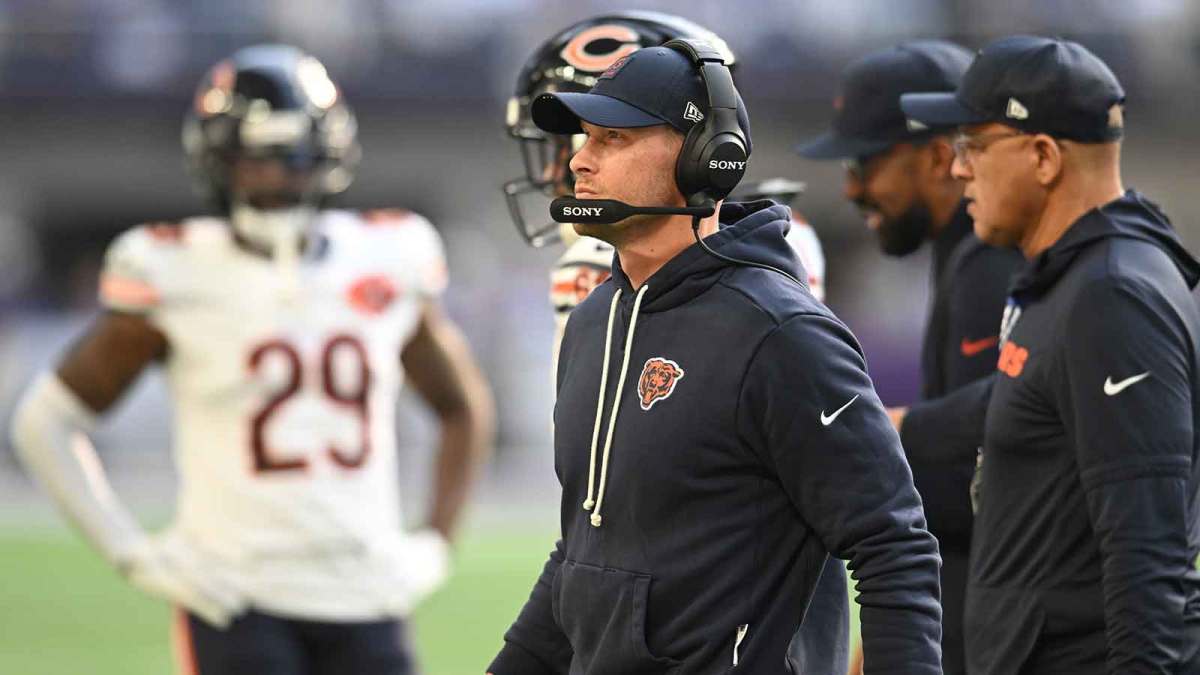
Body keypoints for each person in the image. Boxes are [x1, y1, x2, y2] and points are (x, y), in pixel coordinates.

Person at [9, 44, 494, 675]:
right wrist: (132, 553)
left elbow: (463, 406)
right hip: (237, 597)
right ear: (218, 160)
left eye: (291, 156)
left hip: (366, 592)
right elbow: (44, 422)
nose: (274, 176)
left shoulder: (390, 252)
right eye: (254, 159)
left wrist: (435, 543)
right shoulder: (173, 268)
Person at [488, 39, 942, 674]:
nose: (578, 162)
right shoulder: (595, 321)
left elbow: (893, 545)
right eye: (582, 138)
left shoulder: (781, 332)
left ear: (707, 159)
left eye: (611, 139)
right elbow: (586, 551)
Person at [902, 35, 1200, 673]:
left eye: (973, 146)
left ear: (1042, 156)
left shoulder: (1114, 296)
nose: (957, 169)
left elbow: (1146, 550)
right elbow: (1037, 405)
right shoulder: (1074, 276)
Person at [797, 40, 1024, 675]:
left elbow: (992, 477)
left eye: (863, 162)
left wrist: (884, 447)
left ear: (934, 155)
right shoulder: (969, 256)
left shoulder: (990, 261)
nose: (849, 188)